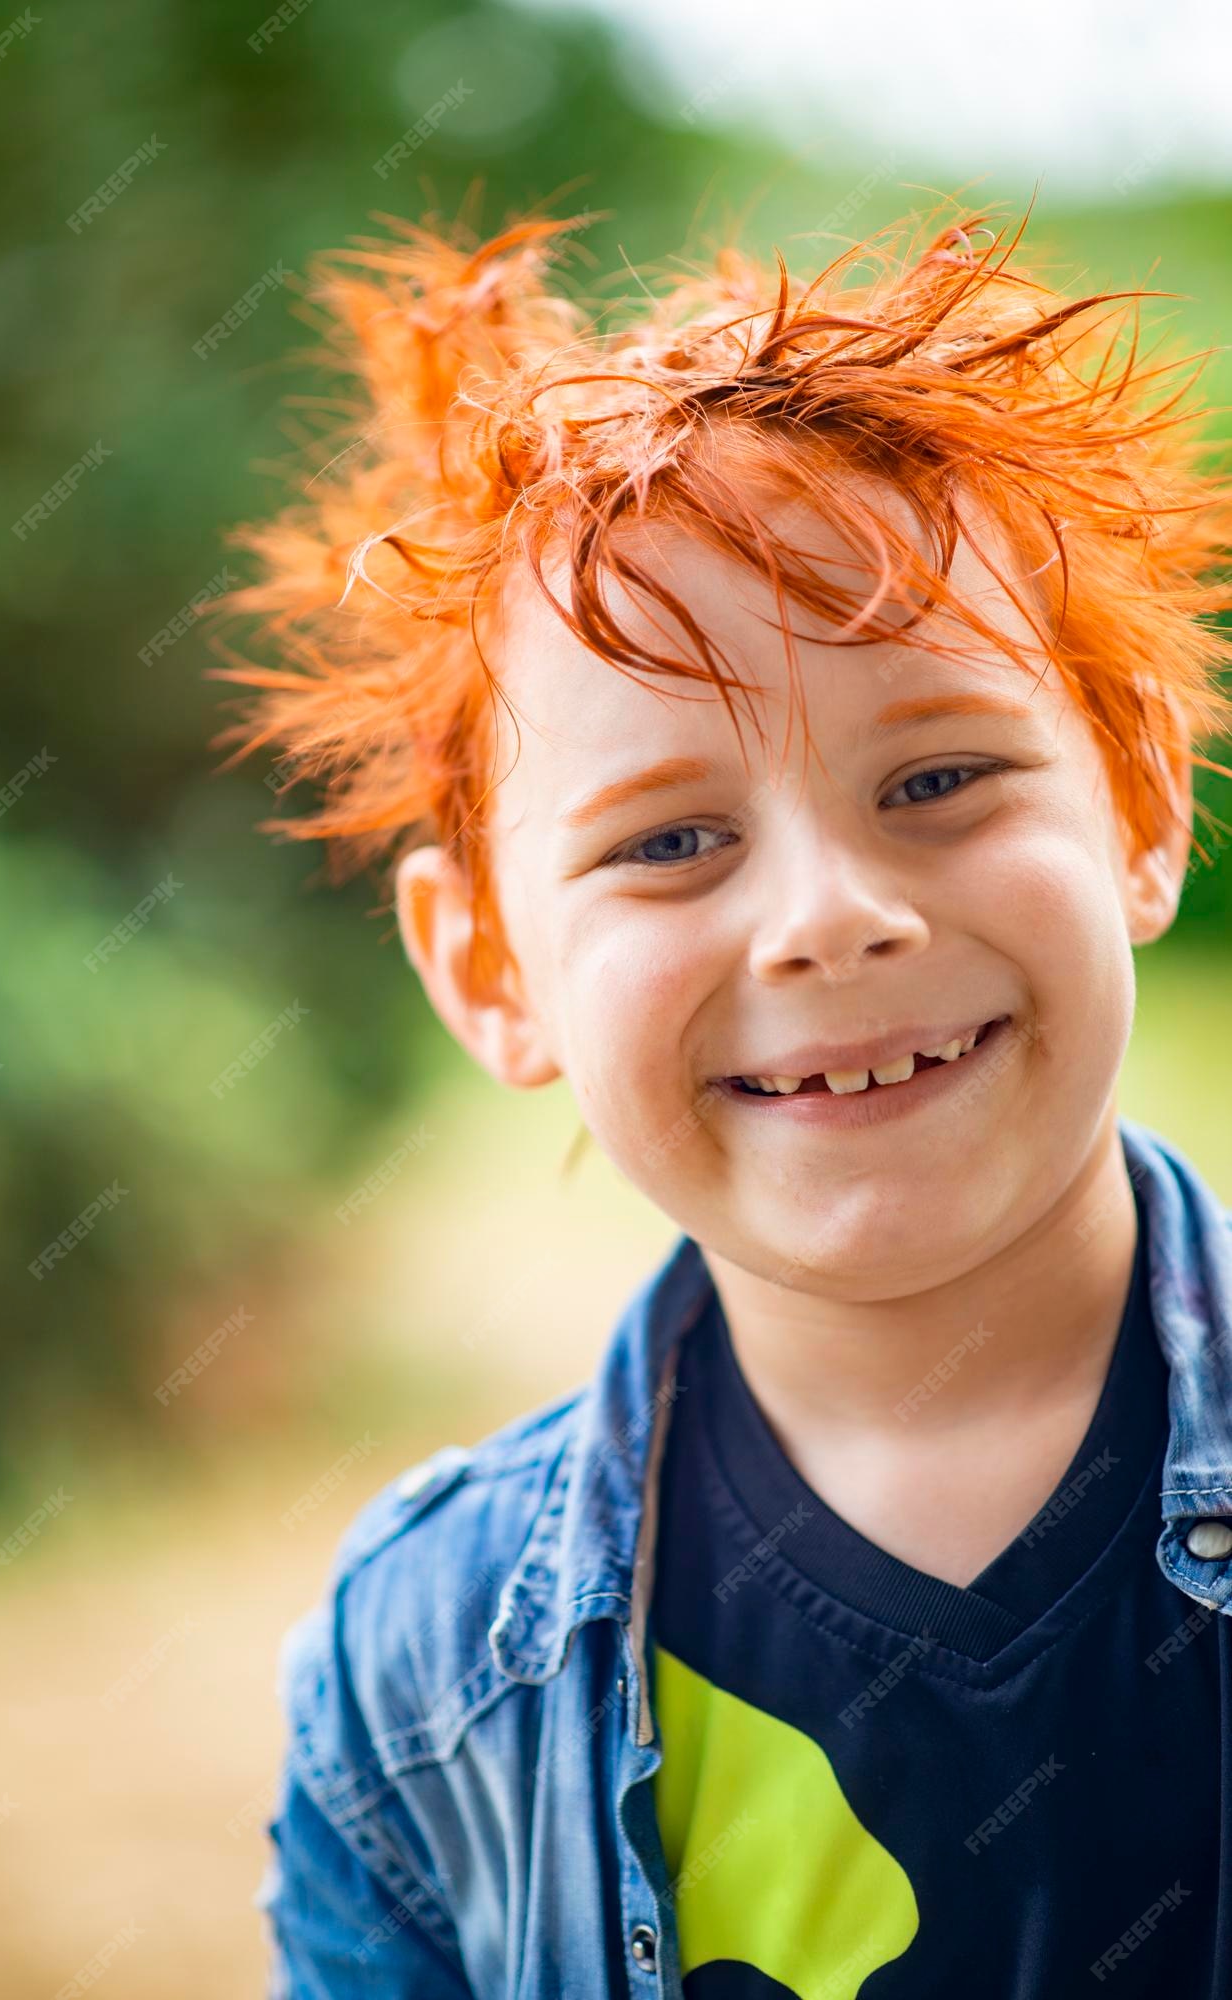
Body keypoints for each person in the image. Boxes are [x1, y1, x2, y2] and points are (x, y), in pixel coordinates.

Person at [211, 204, 1232, 1995]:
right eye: (672, 840)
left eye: (939, 774)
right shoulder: (421, 1681)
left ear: (1139, 805)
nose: (834, 915)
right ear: (489, 971)